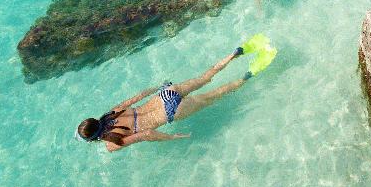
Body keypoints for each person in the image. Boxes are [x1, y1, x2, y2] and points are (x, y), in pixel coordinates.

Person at [76, 48, 250, 152]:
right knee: (204, 78)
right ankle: (233, 54)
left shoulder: (111, 145)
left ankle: (246, 78)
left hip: (169, 112)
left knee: (214, 95)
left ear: (93, 139)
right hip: (164, 94)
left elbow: (146, 134)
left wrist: (172, 137)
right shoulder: (111, 113)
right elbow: (139, 96)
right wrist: (157, 88)